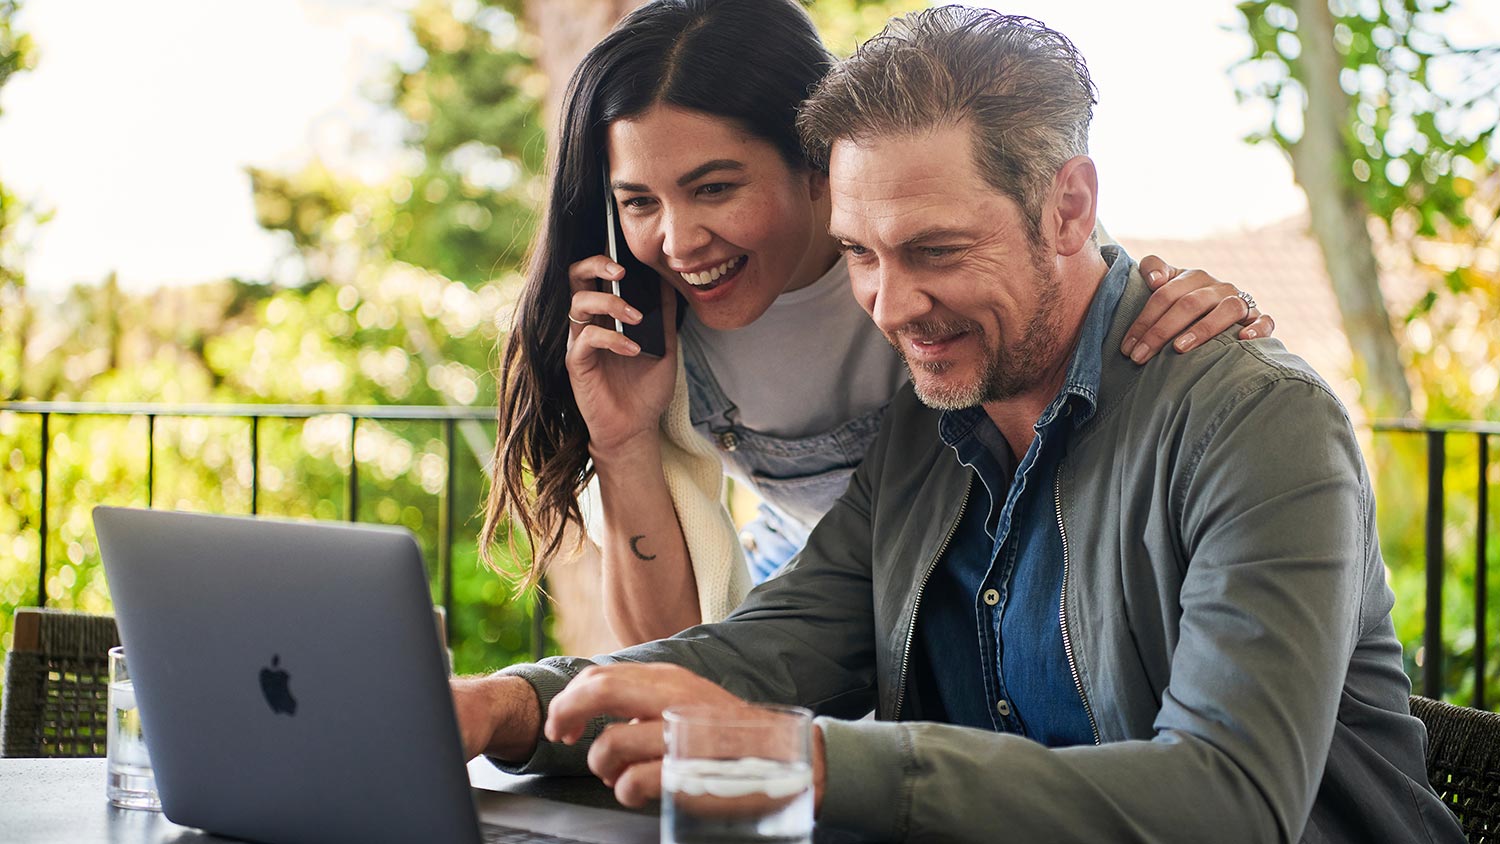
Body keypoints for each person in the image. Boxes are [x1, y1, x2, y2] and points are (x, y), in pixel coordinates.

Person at [451, 8, 1467, 842]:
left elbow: (1231, 802)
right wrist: (517, 704)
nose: (889, 307)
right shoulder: (925, 422)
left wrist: (807, 756)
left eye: (934, 250)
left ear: (1069, 209)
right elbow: (768, 647)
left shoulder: (1252, 424)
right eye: (858, 253)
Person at [481, 0, 1277, 646]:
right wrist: (621, 441)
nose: (679, 242)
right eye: (639, 202)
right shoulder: (648, 330)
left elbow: (1083, 286)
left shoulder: (932, 246)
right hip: (810, 583)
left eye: (716, 188)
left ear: (816, 161)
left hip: (993, 578)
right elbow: (672, 654)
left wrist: (1184, 311)